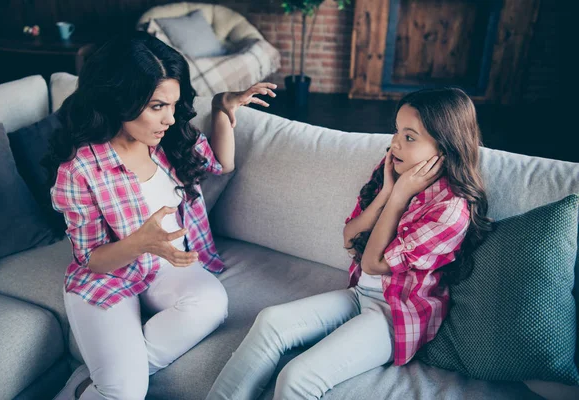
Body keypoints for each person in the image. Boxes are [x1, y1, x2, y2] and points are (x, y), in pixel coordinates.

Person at [206, 87, 492, 400]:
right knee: (270, 322)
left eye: (410, 137)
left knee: (297, 378)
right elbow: (350, 237)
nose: (395, 143)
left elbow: (372, 263)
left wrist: (397, 199)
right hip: (360, 292)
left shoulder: (449, 210)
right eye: (397, 131)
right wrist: (386, 193)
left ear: (445, 148)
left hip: (395, 314)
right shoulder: (391, 170)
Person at [48, 31, 276, 400]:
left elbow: (223, 163)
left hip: (168, 268)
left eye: (174, 104)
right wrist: (141, 242)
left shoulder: (170, 140)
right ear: (119, 100)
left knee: (211, 303)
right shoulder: (81, 168)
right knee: (125, 393)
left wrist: (220, 107)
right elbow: (91, 260)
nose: (169, 118)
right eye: (157, 106)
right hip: (111, 276)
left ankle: (97, 381)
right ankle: (113, 383)